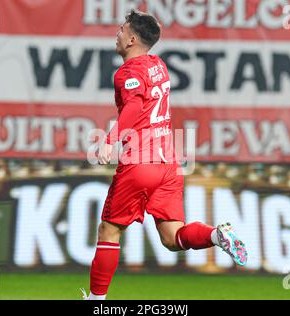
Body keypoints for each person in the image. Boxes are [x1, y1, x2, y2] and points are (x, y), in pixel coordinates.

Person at [82, 10, 248, 300]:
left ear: (132, 38)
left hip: (140, 162)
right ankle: (215, 235)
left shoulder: (127, 73)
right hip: (169, 164)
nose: (117, 34)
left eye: (122, 30)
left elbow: (134, 106)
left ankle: (96, 302)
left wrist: (110, 140)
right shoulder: (157, 64)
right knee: (172, 238)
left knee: (109, 230)